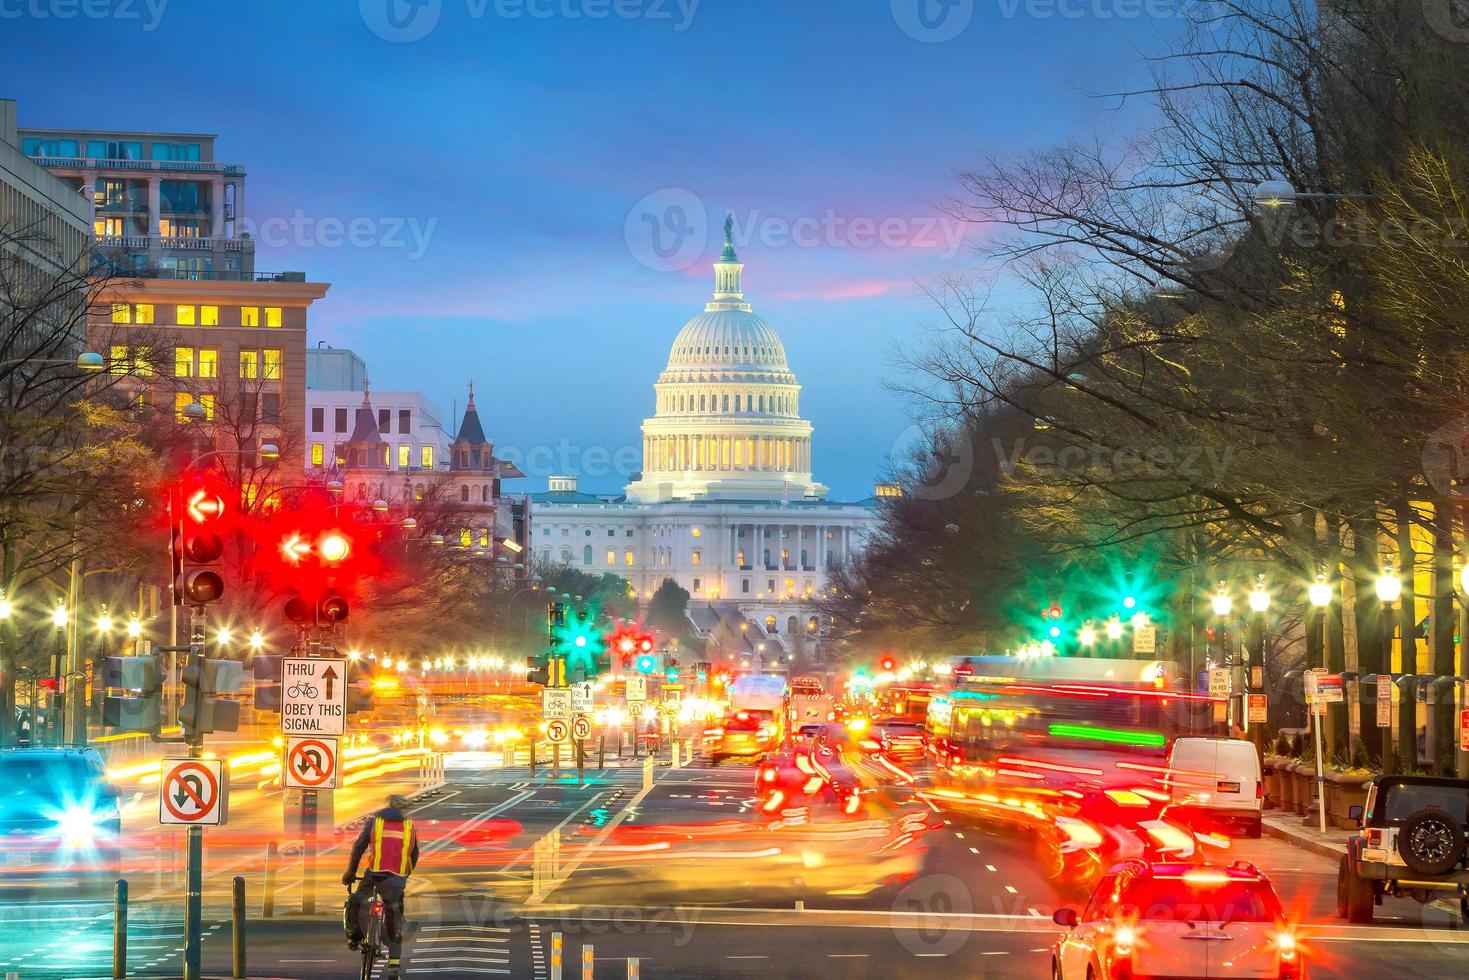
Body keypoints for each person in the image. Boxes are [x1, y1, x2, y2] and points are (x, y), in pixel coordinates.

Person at [344, 794, 420, 978]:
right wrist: (404, 876)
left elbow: (358, 848)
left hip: (374, 875)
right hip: (396, 878)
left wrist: (350, 872)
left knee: (357, 900)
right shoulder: (409, 827)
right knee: (394, 914)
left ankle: (355, 935)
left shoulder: (374, 823)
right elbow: (414, 855)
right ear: (403, 810)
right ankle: (394, 966)